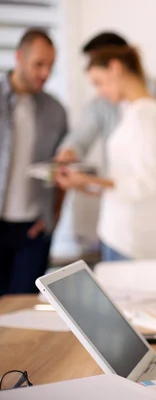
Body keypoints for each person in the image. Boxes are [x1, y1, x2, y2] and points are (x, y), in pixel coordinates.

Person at [55, 32, 156, 259]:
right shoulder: (133, 110)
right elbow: (83, 140)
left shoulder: (147, 114)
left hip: (134, 235)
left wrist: (89, 181)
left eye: (99, 82)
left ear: (115, 66)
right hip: (123, 229)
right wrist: (79, 172)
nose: (99, 92)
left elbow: (146, 182)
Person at [0, 29, 67, 295]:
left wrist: (52, 217)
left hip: (33, 231)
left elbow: (62, 171)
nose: (45, 73)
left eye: (50, 65)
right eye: (39, 64)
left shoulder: (56, 110)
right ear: (19, 57)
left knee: (25, 308)